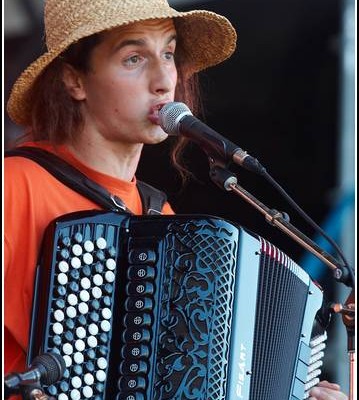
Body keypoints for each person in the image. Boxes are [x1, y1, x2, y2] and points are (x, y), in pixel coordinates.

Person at [4, 1, 348, 399]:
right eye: (133, 58)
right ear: (74, 81)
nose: (164, 80)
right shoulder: (14, 187)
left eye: (168, 54)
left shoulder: (158, 221)